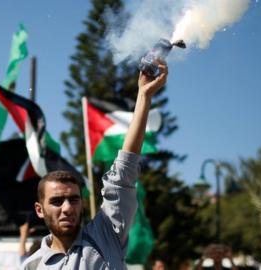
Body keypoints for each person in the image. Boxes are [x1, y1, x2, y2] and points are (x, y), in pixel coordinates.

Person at [21, 61, 169, 269]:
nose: (67, 208)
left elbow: (124, 171)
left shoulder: (106, 235)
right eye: (56, 201)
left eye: (74, 199)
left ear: (82, 203)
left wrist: (144, 96)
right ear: (39, 209)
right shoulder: (31, 266)